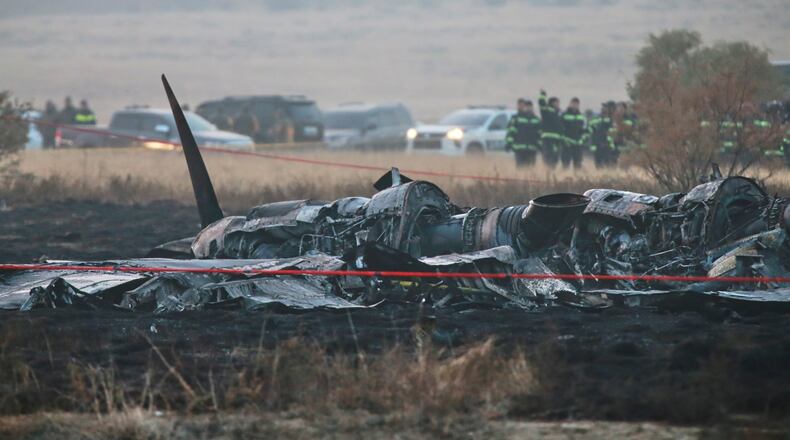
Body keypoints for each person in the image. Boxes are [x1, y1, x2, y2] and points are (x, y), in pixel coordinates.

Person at [505, 98, 541, 167]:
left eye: (530, 107)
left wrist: (540, 145)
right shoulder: (516, 118)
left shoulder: (536, 120)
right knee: (520, 169)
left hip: (532, 149)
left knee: (530, 171)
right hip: (519, 149)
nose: (528, 109)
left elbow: (539, 134)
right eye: (526, 107)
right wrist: (509, 143)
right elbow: (511, 132)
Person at [538, 89, 564, 168]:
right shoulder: (547, 111)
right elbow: (542, 104)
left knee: (555, 159)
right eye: (557, 103)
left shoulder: (558, 114)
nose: (559, 104)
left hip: (557, 141)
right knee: (547, 158)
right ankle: (547, 172)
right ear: (552, 103)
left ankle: (552, 172)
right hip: (547, 139)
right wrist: (542, 95)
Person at [589, 101, 616, 168]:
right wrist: (592, 144)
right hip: (597, 145)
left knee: (607, 163)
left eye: (606, 108)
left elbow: (612, 134)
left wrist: (610, 143)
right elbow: (592, 133)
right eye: (603, 108)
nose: (604, 109)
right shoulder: (595, 119)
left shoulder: (611, 120)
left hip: (607, 145)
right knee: (598, 164)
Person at [561, 97, 586, 169]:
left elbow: (584, 130)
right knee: (565, 163)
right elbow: (560, 129)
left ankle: (577, 179)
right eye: (573, 103)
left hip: (578, 143)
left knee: (578, 164)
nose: (575, 105)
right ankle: (563, 177)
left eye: (576, 104)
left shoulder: (581, 116)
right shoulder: (564, 115)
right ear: (570, 104)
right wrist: (564, 140)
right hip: (567, 143)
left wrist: (582, 140)